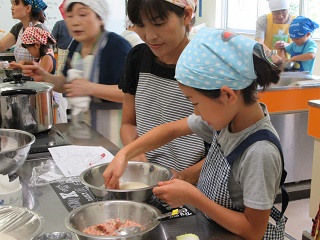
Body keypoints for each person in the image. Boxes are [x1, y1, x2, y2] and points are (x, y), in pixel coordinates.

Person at [104, 28, 289, 239]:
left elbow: (253, 230)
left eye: (196, 103)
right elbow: (171, 129)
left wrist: (193, 197)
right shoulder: (229, 119)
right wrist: (124, 154)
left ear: (228, 94)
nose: (196, 113)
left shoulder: (260, 152)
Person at [118, 0, 206, 176]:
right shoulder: (138, 58)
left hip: (195, 187)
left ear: (186, 15)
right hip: (146, 177)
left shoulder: (205, 65)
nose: (150, 36)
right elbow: (128, 123)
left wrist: (184, 177)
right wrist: (136, 153)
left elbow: (225, 148)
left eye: (158, 23)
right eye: (140, 25)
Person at [23, 0, 132, 128]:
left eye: (82, 14)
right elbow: (65, 84)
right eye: (69, 16)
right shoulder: (76, 45)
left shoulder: (116, 46)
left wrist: (90, 88)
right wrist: (45, 76)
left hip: (112, 131)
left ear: (100, 17)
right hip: (82, 127)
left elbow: (130, 95)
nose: (75, 22)